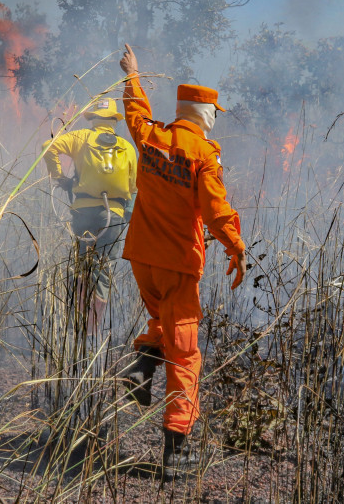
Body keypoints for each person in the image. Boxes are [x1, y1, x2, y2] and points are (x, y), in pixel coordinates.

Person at [118, 43, 246, 480]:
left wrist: (132, 76)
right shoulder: (204, 155)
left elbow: (134, 114)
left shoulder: (152, 136)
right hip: (177, 264)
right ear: (203, 112)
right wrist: (236, 247)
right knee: (186, 354)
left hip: (141, 258)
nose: (215, 118)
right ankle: (178, 451)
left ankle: (141, 367)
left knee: (164, 323)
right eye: (215, 112)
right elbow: (215, 211)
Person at [41, 98, 138, 328]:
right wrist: (127, 216)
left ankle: (76, 325)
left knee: (82, 263)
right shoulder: (127, 147)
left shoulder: (82, 137)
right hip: (113, 213)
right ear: (115, 120)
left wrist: (59, 177)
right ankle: (93, 329)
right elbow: (134, 187)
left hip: (84, 210)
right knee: (102, 268)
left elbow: (48, 147)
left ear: (93, 118)